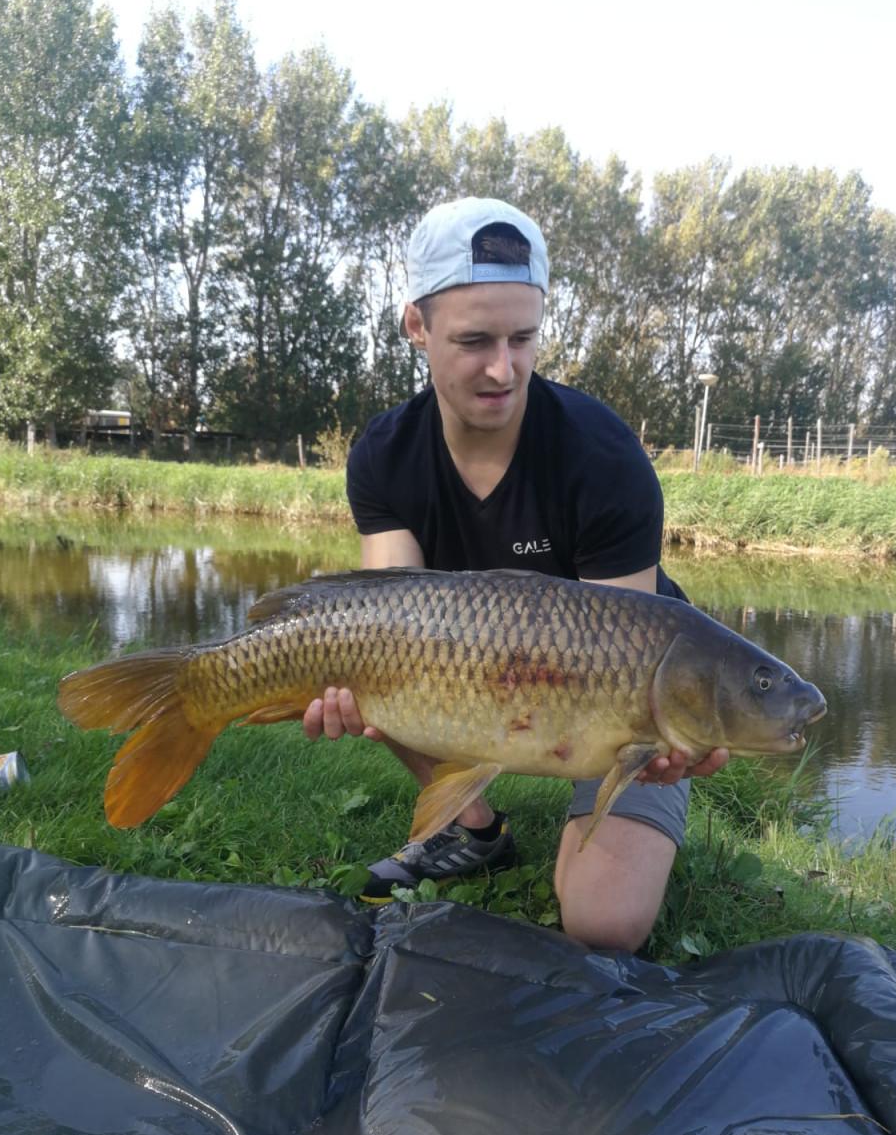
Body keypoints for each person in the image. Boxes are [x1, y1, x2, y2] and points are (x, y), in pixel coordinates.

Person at [303, 197, 728, 951]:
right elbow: (386, 621)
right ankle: (474, 831)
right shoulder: (384, 454)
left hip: (622, 697)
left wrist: (664, 740)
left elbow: (613, 671)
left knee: (604, 924)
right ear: (417, 328)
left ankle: (612, 828)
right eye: (474, 341)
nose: (504, 368)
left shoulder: (603, 455)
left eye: (523, 338)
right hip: (459, 668)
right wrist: (332, 676)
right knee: (379, 668)